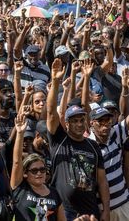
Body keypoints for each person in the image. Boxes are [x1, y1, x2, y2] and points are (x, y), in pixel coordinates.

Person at [47, 58, 110, 220]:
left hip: (91, 212)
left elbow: (102, 181)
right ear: (66, 124)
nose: (79, 124)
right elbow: (51, 113)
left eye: (82, 120)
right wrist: (55, 81)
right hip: (65, 212)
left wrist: (106, 210)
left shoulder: (93, 145)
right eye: (75, 121)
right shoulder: (59, 140)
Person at [11, 113, 65, 221]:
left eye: (42, 169)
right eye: (34, 171)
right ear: (25, 173)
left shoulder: (54, 193)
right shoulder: (20, 188)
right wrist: (20, 133)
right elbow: (17, 162)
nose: (39, 173)